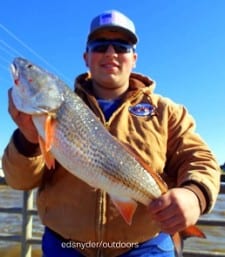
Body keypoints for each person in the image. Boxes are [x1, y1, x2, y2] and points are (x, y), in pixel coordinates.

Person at [2, 10, 221, 257]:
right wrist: (29, 139)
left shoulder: (166, 111)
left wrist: (195, 195)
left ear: (134, 58)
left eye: (121, 46)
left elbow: (200, 158)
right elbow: (19, 181)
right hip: (65, 247)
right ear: (86, 57)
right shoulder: (48, 115)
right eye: (100, 45)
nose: (110, 53)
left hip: (146, 247)